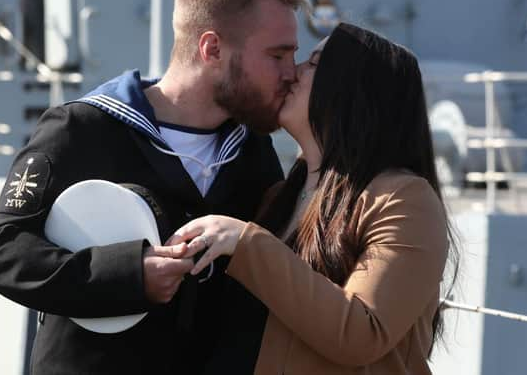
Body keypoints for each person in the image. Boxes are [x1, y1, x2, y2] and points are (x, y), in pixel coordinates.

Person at [0, 0, 309, 375]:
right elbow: (2, 251)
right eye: (277, 56)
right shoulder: (82, 128)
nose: (291, 73)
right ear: (212, 48)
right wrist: (129, 274)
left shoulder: (251, 150)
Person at [171, 22, 458, 375]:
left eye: (314, 63)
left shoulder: (404, 199)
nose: (293, 73)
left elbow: (362, 332)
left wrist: (246, 243)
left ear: (352, 89)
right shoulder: (280, 197)